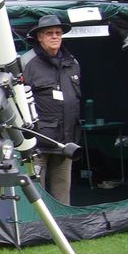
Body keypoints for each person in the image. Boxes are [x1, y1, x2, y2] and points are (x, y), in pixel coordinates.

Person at [22, 14, 81, 205]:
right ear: (39, 37)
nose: (55, 36)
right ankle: (37, 229)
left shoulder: (73, 63)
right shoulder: (26, 63)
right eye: (49, 33)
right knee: (35, 193)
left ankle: (62, 230)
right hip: (38, 142)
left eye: (58, 33)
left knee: (63, 192)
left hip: (66, 141)